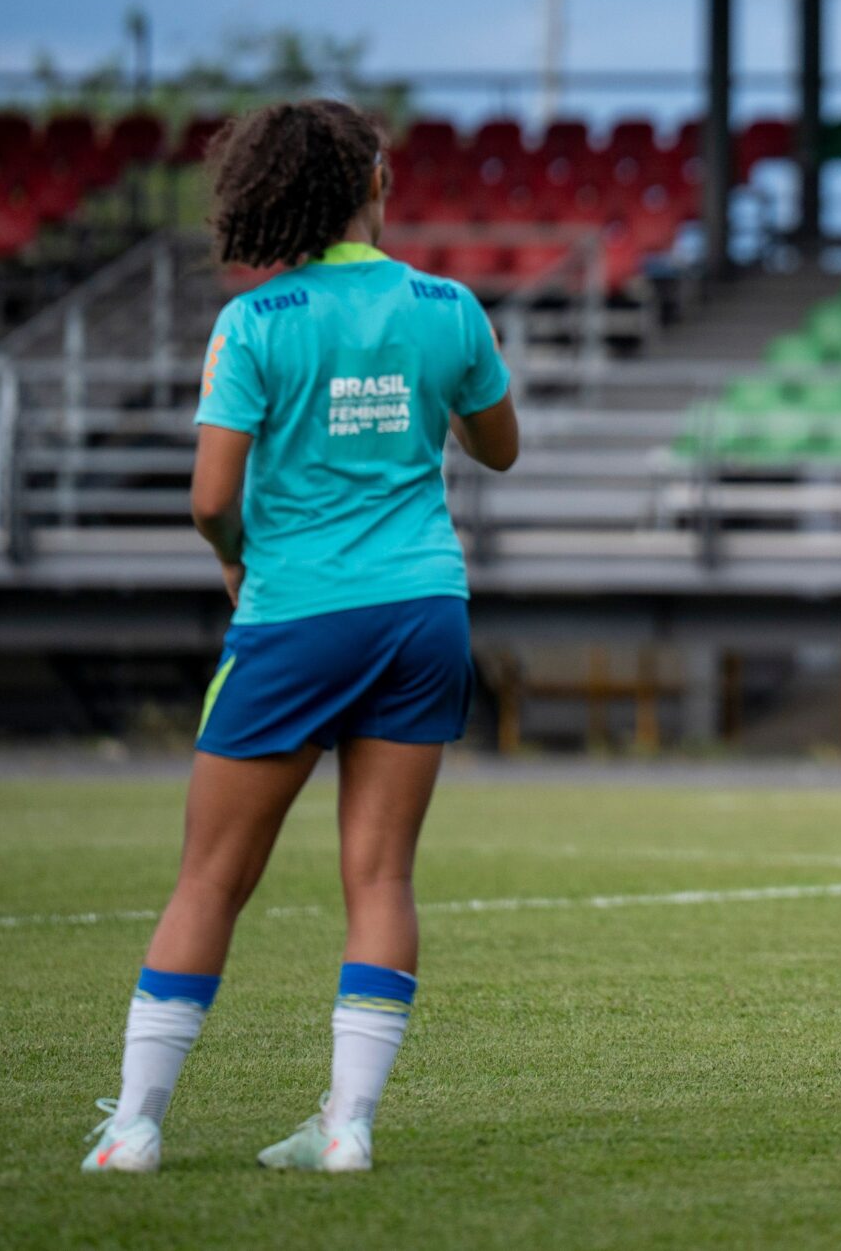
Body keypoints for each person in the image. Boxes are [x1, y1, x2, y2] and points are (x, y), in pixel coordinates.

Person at [81, 99, 519, 1176]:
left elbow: (209, 496)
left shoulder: (257, 322)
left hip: (294, 614)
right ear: (376, 183)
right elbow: (498, 450)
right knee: (380, 882)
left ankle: (136, 1126)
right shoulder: (447, 305)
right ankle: (348, 1129)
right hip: (422, 613)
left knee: (210, 881)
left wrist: (237, 560)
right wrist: (429, 394)